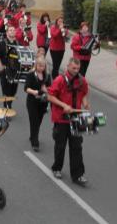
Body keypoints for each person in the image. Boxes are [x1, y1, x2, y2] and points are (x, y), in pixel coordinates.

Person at [47, 58, 90, 186]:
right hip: (61, 118)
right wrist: (64, 105)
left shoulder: (82, 81)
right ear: (68, 66)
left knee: (77, 147)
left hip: (76, 118)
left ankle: (78, 175)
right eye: (73, 68)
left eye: (78, 69)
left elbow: (84, 93)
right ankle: (56, 168)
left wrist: (85, 103)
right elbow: (50, 96)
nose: (76, 71)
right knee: (60, 146)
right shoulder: (59, 80)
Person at [25, 56, 52, 152]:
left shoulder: (47, 76)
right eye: (39, 66)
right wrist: (35, 92)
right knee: (34, 121)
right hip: (32, 101)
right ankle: (35, 142)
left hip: (42, 102)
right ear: (36, 65)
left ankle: (33, 135)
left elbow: (51, 89)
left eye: (43, 66)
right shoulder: (31, 74)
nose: (41, 68)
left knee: (38, 122)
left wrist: (46, 90)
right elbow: (26, 88)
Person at [0, 26, 21, 109]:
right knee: (6, 90)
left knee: (13, 91)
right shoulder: (2, 43)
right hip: (5, 70)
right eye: (10, 30)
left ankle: (9, 104)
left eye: (13, 30)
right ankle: (6, 107)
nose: (12, 31)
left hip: (15, 71)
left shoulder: (18, 43)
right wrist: (0, 66)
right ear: (7, 33)